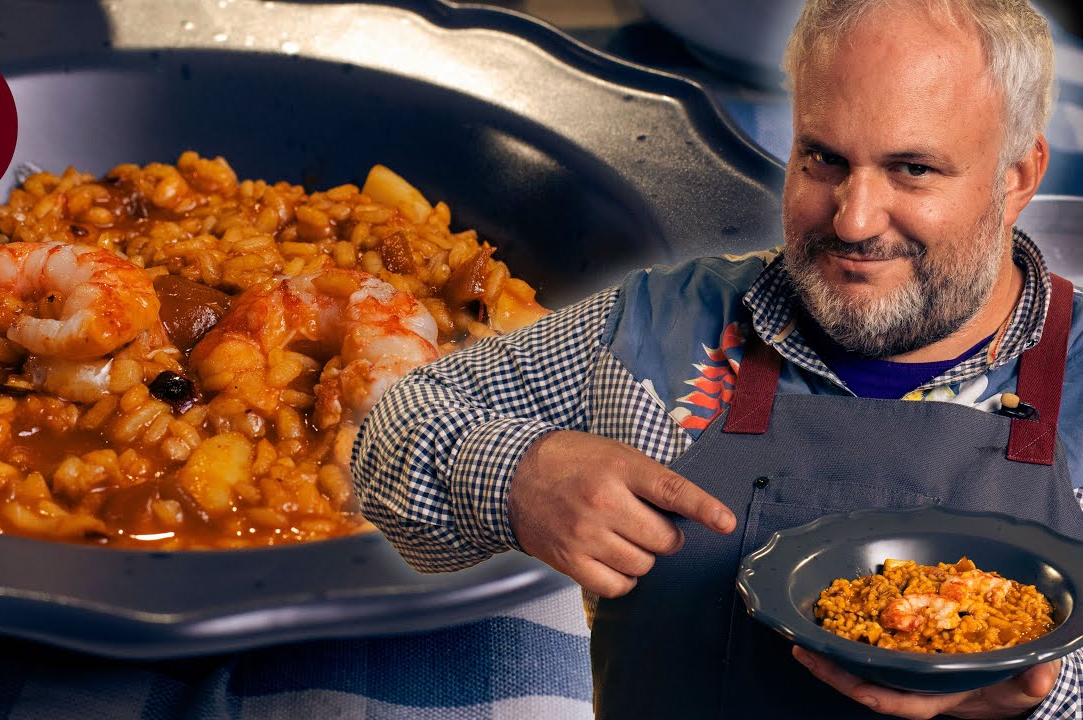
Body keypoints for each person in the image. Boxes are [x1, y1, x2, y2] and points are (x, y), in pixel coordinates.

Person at [351, 0, 1083, 717]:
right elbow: (395, 428)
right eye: (823, 158)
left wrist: (1036, 702)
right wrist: (517, 477)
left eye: (913, 169)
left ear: (1017, 176)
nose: (854, 219)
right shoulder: (664, 324)